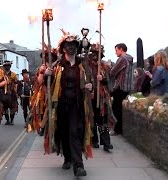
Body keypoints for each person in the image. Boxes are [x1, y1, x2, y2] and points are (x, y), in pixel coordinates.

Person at [39, 32, 93, 177]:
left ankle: (78, 165)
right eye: (68, 46)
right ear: (63, 49)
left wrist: (90, 86)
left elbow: (90, 82)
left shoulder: (83, 65)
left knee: (74, 132)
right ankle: (68, 158)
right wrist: (46, 75)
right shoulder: (57, 66)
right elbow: (45, 84)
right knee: (63, 132)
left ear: (77, 48)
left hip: (76, 105)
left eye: (73, 45)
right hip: (61, 106)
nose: (71, 48)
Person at [88, 43, 114, 151]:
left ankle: (106, 142)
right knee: (91, 118)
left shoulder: (104, 66)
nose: (95, 56)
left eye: (97, 54)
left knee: (102, 119)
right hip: (89, 96)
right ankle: (94, 140)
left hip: (101, 97)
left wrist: (102, 78)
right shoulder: (86, 65)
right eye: (93, 53)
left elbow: (110, 81)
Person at [110, 43, 134, 135]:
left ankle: (117, 130)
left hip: (121, 87)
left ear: (121, 49)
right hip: (127, 87)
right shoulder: (130, 59)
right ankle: (119, 129)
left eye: (116, 50)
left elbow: (113, 72)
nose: (115, 52)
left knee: (116, 108)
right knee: (119, 108)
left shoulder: (122, 59)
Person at [1, 60, 18, 125]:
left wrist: (15, 92)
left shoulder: (13, 74)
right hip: (4, 93)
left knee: (12, 107)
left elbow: (16, 83)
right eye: (5, 66)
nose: (6, 67)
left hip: (12, 93)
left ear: (10, 66)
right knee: (5, 108)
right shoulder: (2, 74)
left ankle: (12, 120)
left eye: (8, 66)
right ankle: (7, 120)